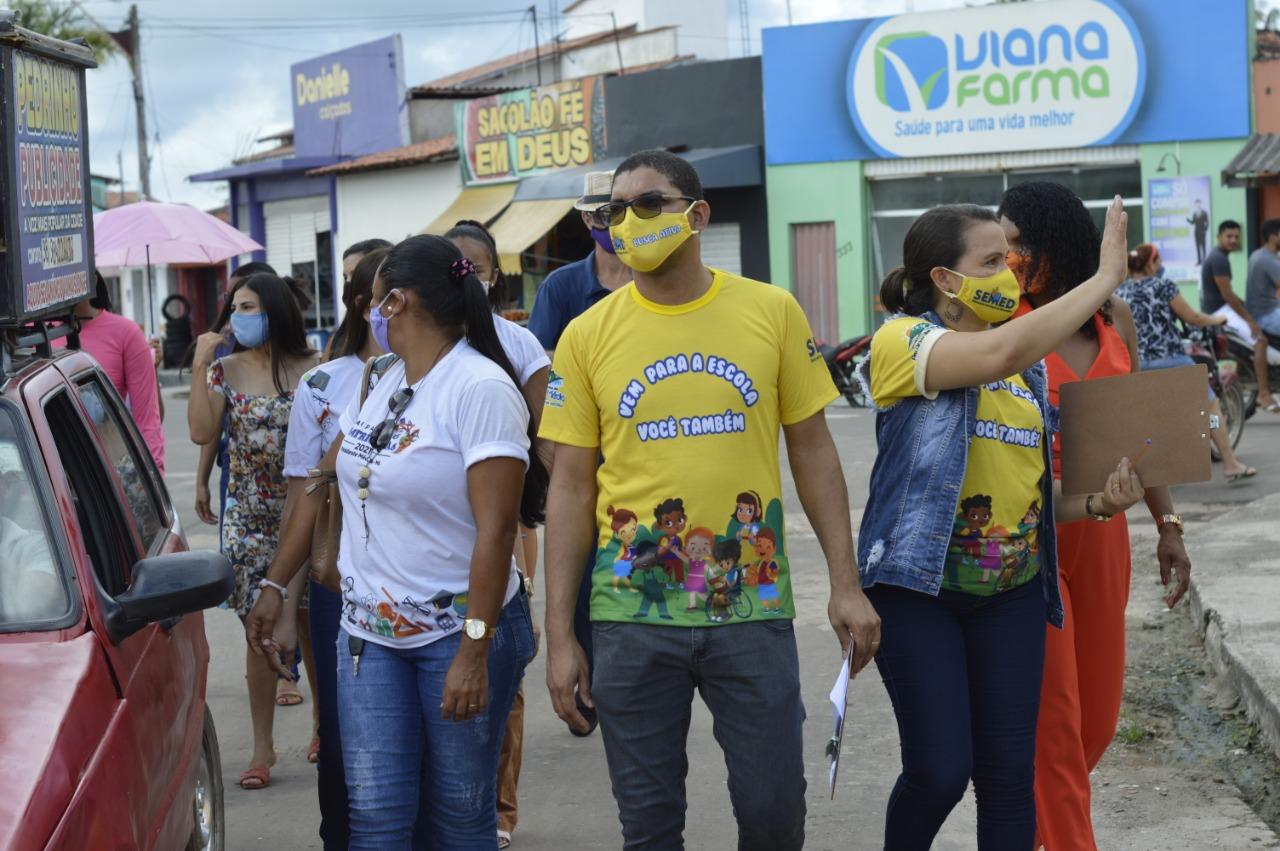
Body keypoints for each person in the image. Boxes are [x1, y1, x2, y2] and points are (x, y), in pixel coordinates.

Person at [540, 149, 879, 851]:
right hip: (631, 615)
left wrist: (845, 583)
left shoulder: (770, 311)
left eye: (648, 204)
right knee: (650, 825)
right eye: (614, 211)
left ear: (697, 215)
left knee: (773, 811)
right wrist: (562, 635)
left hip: (749, 609)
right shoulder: (586, 335)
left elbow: (813, 451)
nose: (628, 222)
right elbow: (570, 486)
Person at [859, 198, 1146, 849]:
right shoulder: (905, 341)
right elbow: (998, 351)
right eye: (992, 260)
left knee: (1010, 778)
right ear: (944, 280)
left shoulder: (1029, 375)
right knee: (940, 769)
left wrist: (1100, 502)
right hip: (919, 591)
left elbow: (1038, 499)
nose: (1009, 273)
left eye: (1011, 259)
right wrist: (1104, 279)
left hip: (1011, 594)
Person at [246, 235, 542, 848]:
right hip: (368, 636)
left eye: (375, 300)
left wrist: (473, 651)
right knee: (376, 819)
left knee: (457, 821)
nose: (368, 313)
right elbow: (323, 481)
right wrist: (276, 583)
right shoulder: (383, 379)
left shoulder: (479, 388)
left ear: (399, 302)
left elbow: (497, 530)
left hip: (456, 635)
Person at [998, 182, 1194, 851]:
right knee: (1054, 726)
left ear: (1058, 242)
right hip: (1032, 543)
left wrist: (1168, 527)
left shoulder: (1116, 319)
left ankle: (1025, 827)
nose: (1009, 255)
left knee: (1097, 721)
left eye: (1019, 241)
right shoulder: (1007, 321)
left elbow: (1142, 436)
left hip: (1105, 537)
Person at [276, 245, 388, 847]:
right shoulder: (323, 385)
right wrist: (285, 599)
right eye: (386, 297)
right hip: (337, 590)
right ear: (365, 306)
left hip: (428, 591)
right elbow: (305, 501)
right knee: (343, 740)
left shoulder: (461, 377)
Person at [188, 272, 318, 791]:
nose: (240, 315)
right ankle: (263, 744)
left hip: (305, 509)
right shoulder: (225, 370)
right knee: (256, 628)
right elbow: (201, 431)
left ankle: (320, 727)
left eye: (250, 306)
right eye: (235, 307)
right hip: (249, 515)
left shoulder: (314, 369)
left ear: (277, 311)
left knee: (309, 620)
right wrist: (200, 363)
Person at [445, 219, 550, 849]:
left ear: (494, 277)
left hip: (506, 533)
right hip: (423, 561)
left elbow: (553, 446)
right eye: (450, 266)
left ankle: (500, 814)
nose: (462, 278)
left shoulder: (517, 347)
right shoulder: (406, 352)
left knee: (498, 687)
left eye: (474, 268)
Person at [527, 171, 632, 737]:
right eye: (600, 217)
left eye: (617, 215)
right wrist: (554, 465)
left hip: (637, 456)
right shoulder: (564, 289)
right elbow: (543, 384)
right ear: (587, 222)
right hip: (579, 455)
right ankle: (583, 681)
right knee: (581, 573)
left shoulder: (653, 279)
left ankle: (624, 687)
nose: (609, 226)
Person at [1118, 243, 1257, 482]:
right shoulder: (1164, 286)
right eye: (1158, 260)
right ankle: (1230, 463)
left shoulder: (1121, 292)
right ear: (1151, 263)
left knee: (1141, 417)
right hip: (1171, 361)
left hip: (1136, 366)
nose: (1160, 265)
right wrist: (1217, 319)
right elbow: (1192, 317)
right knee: (1209, 406)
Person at [58, 272, 165, 471]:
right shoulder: (31, 336)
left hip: (107, 477)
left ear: (93, 278)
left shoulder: (126, 333)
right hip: (47, 475)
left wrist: (154, 475)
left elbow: (148, 419)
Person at [1199, 220, 1278, 412]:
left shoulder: (1221, 257)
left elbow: (1230, 296)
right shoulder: (1219, 259)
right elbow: (1227, 295)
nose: (1233, 240)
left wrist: (1245, 307)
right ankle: (1263, 393)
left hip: (1222, 308)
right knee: (1259, 340)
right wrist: (1251, 322)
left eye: (1236, 236)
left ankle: (1250, 377)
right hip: (1220, 311)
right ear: (1219, 237)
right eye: (1229, 236)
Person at [1246, 218, 1280, 412]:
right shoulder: (1268, 259)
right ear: (1274, 235)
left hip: (1262, 310)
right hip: (1265, 314)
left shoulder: (1258, 254)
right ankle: (1264, 392)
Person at [1188, 199, 1209, 265]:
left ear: (1200, 204)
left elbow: (1207, 222)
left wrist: (1205, 229)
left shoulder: (1204, 212)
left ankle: (1204, 260)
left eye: (1199, 203)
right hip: (1196, 232)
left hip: (1202, 231)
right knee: (1197, 247)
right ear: (1195, 205)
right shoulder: (1195, 213)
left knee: (1203, 246)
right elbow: (1193, 222)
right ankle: (1199, 261)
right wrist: (1188, 220)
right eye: (1196, 203)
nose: (1198, 205)